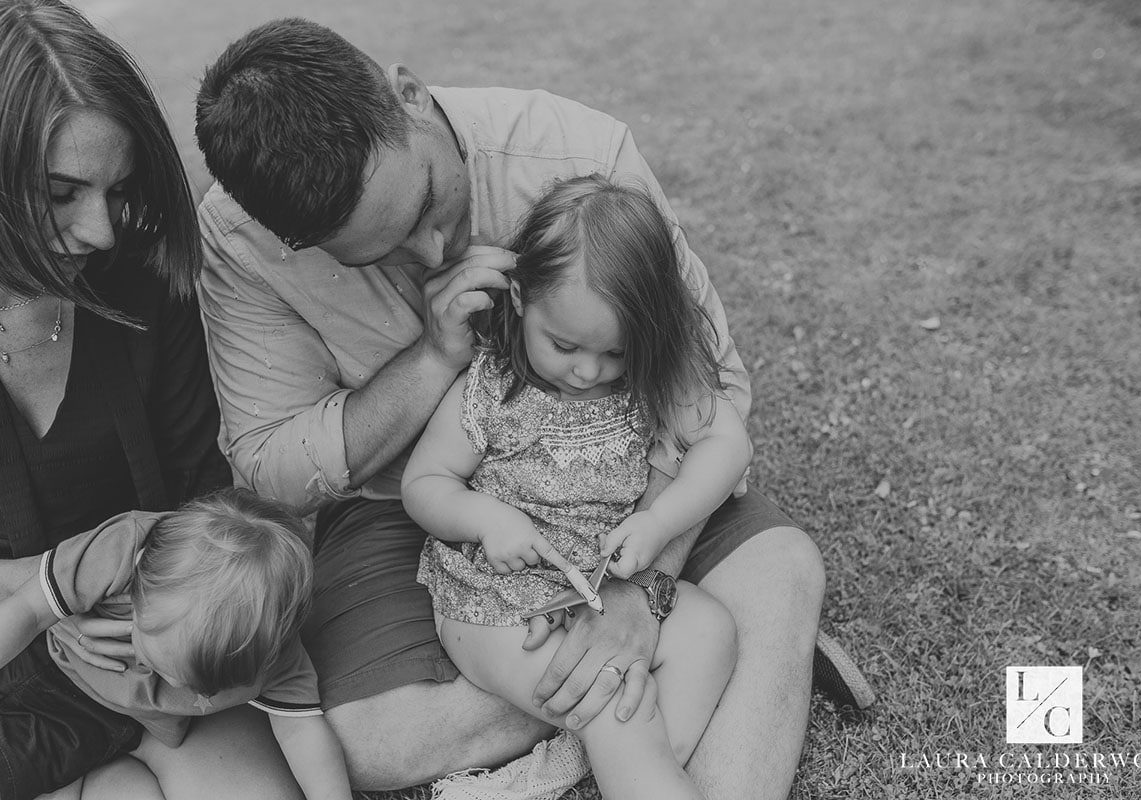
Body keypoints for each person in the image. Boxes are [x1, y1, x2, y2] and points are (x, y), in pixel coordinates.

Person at [194, 18, 852, 798]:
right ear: (297, 242)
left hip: (631, 491)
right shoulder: (242, 241)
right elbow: (272, 471)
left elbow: (718, 394)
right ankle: (670, 690)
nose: (436, 254)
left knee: (783, 569)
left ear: (408, 94)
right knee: (365, 742)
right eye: (379, 254)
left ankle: (649, 692)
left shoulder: (581, 154)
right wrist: (433, 359)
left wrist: (639, 590)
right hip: (427, 523)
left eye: (426, 206)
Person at [0, 2, 305, 798]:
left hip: (148, 673)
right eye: (61, 192)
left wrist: (177, 602)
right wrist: (56, 586)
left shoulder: (137, 287)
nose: (100, 229)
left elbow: (206, 486)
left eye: (118, 190)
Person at [401, 175, 750, 799]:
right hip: (500, 604)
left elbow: (728, 446)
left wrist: (660, 521)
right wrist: (483, 518)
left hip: (596, 586)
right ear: (521, 298)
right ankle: (638, 771)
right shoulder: (491, 387)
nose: (589, 371)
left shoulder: (652, 381)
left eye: (615, 352)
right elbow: (425, 482)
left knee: (710, 633)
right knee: (616, 696)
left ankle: (582, 772)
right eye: (563, 345)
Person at [0, 489, 351, 800]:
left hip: (107, 719)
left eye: (203, 686)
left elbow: (301, 731)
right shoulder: (122, 549)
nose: (178, 686)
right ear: (138, 580)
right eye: (160, 664)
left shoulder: (272, 652)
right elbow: (28, 611)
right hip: (52, 666)